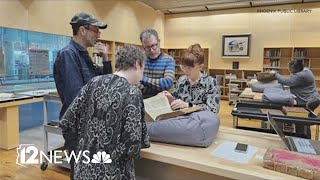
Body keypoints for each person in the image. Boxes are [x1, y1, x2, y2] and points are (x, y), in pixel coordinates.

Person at [59, 44, 150, 180]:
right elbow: (132, 146)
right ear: (137, 64)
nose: (142, 74)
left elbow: (67, 121)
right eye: (143, 68)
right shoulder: (132, 92)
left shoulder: (93, 82)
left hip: (83, 170)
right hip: (112, 173)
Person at [146, 44, 221, 147]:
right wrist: (169, 98)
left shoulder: (211, 83)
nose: (185, 71)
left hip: (197, 126)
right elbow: (176, 100)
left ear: (200, 66)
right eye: (183, 67)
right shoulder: (182, 80)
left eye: (189, 68)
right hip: (179, 122)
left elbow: (212, 110)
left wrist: (188, 105)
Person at [54, 12, 112, 119]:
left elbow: (107, 82)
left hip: (89, 119)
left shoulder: (84, 55)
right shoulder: (68, 54)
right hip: (78, 124)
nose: (99, 35)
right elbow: (75, 97)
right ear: (83, 30)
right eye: (96, 30)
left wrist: (105, 58)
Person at [270, 58, 320, 138]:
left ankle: (303, 139)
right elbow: (291, 81)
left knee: (301, 121)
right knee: (303, 120)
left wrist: (275, 74)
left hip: (306, 101)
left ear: (296, 68)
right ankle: (302, 134)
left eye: (290, 68)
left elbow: (287, 82)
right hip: (312, 98)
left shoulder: (301, 75)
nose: (289, 70)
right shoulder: (306, 71)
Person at [139, 28, 175, 98]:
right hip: (143, 100)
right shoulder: (139, 60)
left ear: (158, 41)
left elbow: (166, 84)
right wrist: (158, 86)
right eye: (147, 47)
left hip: (162, 101)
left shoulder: (169, 60)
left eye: (153, 45)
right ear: (143, 46)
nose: (152, 50)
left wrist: (141, 78)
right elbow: (134, 84)